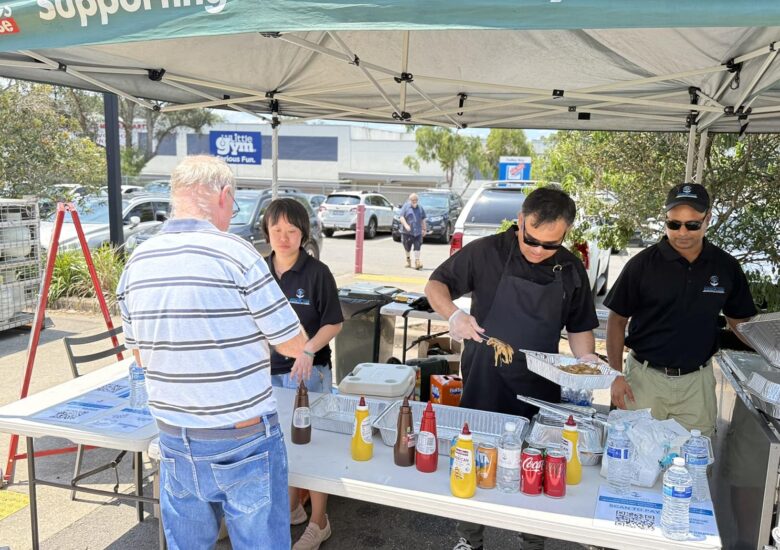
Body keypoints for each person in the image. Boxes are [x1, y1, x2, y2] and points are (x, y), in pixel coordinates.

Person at [116, 155, 308, 550]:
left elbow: (139, 357)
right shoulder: (237, 255)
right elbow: (293, 343)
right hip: (243, 437)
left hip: (172, 436)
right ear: (224, 195)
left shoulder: (137, 261)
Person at [425, 186, 599, 550]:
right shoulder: (487, 252)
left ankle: (533, 541)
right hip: (484, 379)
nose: (537, 250)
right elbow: (436, 284)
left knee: (536, 461)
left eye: (549, 245)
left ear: (565, 234)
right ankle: (469, 539)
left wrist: (586, 360)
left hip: (540, 383)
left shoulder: (570, 268)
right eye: (531, 239)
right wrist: (453, 314)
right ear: (520, 221)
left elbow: (580, 326)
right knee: (474, 456)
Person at [605, 183, 756, 436]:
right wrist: (615, 375)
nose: (682, 232)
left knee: (694, 465)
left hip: (696, 384)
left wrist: (772, 351)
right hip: (643, 380)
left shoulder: (726, 266)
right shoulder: (642, 264)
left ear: (707, 219)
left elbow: (740, 323)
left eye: (692, 225)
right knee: (633, 463)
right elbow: (616, 320)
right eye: (674, 224)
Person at [264, 198, 344, 550]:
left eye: (291, 231)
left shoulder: (317, 273)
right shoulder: (258, 271)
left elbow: (333, 321)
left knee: (314, 448)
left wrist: (308, 349)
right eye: (276, 230)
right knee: (275, 447)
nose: (283, 237)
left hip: (309, 375)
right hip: (266, 376)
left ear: (303, 234)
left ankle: (319, 521)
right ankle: (292, 508)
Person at [399, 193, 427, 269]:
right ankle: (408, 260)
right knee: (407, 247)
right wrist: (406, 225)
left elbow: (423, 219)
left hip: (418, 232)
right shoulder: (406, 207)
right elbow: (401, 217)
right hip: (407, 232)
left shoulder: (420, 208)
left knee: (418, 246)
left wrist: (424, 229)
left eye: (416, 200)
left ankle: (417, 261)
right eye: (413, 200)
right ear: (409, 200)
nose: (414, 201)